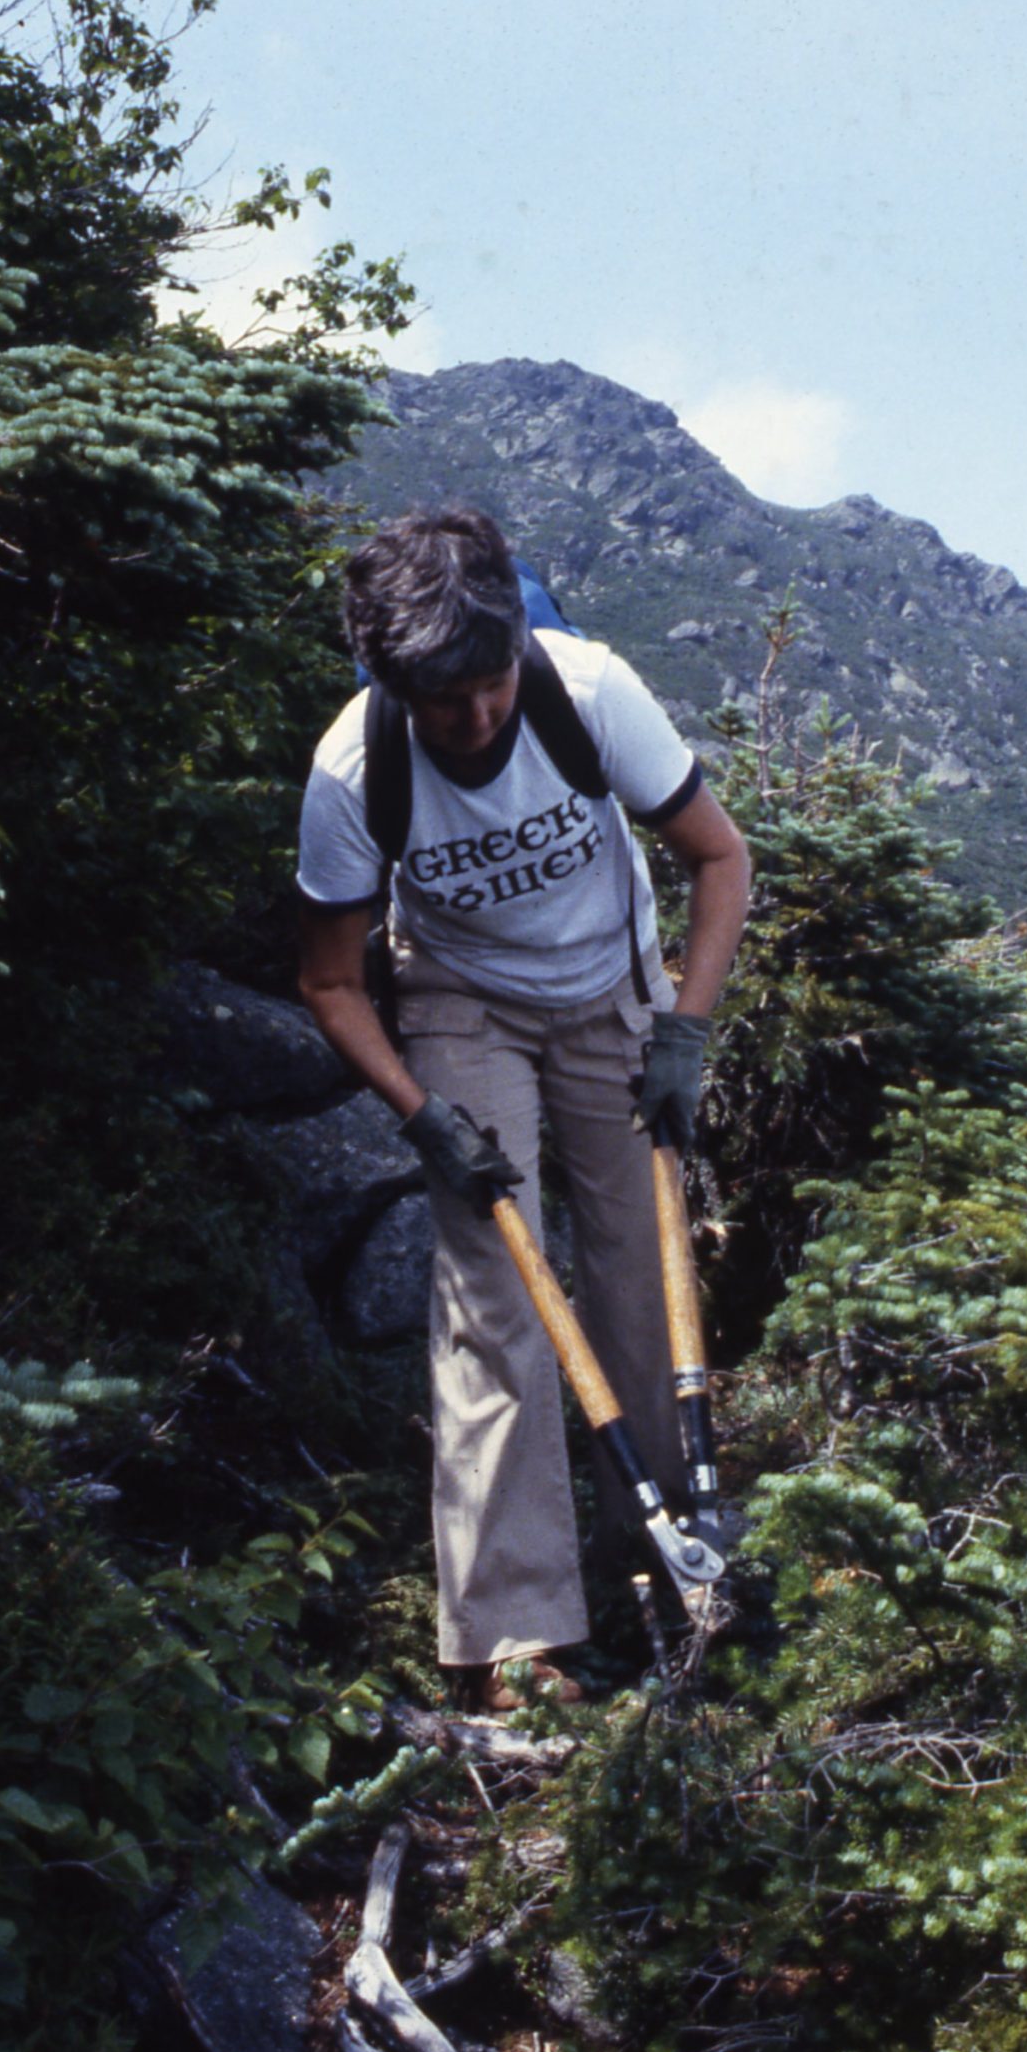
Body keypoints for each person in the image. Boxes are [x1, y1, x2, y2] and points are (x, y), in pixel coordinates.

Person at [296, 505, 751, 1712]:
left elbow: (719, 857)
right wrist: (422, 1115)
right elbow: (331, 983)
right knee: (495, 1290)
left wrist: (683, 1030)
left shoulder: (586, 691)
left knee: (637, 1262)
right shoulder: (353, 772)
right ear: (394, 686)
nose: (479, 716)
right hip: (462, 1001)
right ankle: (514, 1628)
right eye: (444, 701)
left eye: (493, 682)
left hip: (611, 983)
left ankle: (675, 1556)